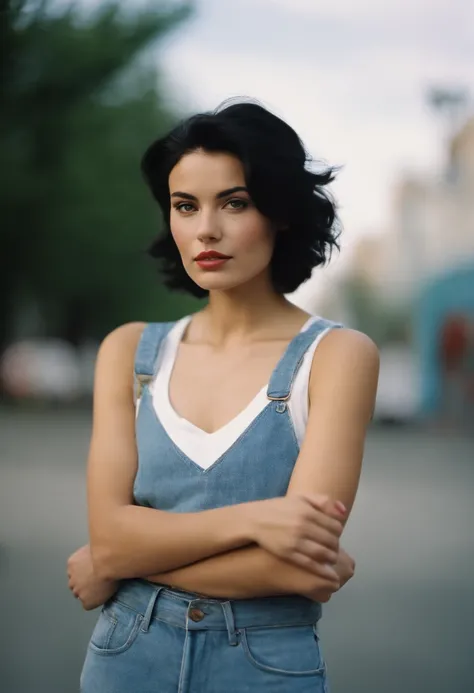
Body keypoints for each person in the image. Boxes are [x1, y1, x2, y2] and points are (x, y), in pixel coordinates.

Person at [67, 99, 379, 693]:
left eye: (234, 203)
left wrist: (120, 561)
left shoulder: (337, 356)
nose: (206, 228)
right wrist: (261, 519)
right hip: (125, 656)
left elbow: (297, 564)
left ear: (281, 212)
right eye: (186, 206)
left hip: (267, 667)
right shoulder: (130, 352)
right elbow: (109, 534)